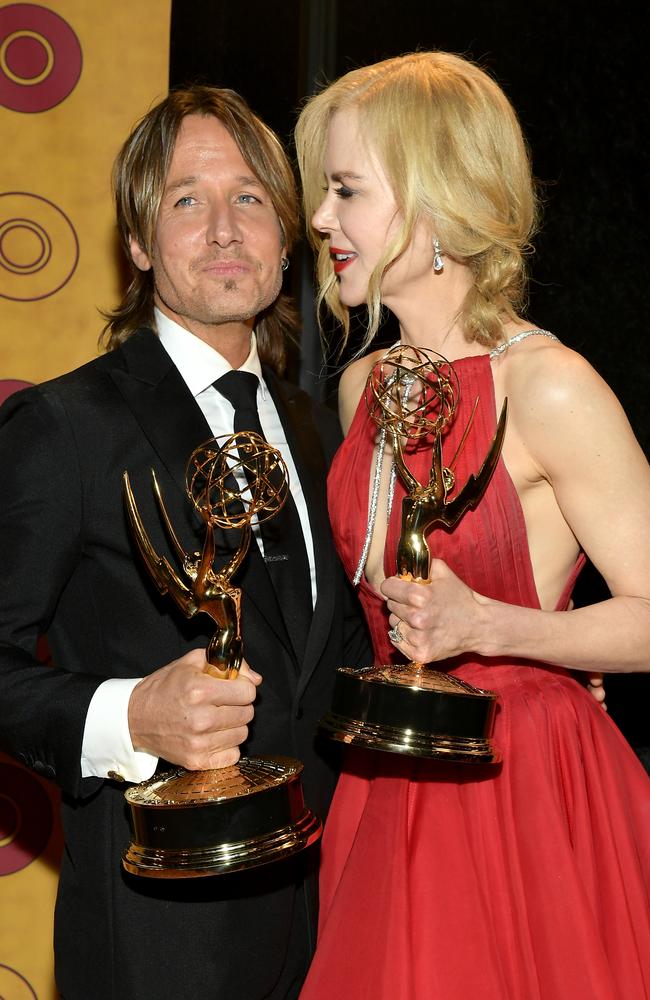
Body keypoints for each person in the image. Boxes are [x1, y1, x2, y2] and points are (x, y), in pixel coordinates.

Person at [0, 86, 370, 1000]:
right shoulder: (63, 427)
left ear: (288, 240)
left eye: (249, 198)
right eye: (185, 200)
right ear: (137, 243)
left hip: (333, 924)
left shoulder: (321, 430)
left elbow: (341, 659)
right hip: (159, 943)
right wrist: (128, 716)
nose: (223, 230)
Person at [294, 51, 650, 999]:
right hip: (384, 782)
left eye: (346, 191)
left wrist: (506, 630)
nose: (321, 219)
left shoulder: (551, 388)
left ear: (437, 199)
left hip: (522, 787)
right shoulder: (362, 385)